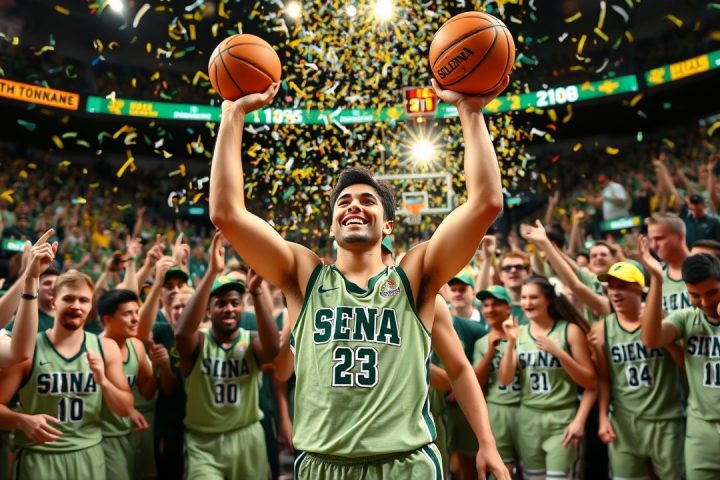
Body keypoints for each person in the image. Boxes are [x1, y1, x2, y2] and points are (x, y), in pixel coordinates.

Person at [210, 78, 510, 479]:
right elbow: (226, 213)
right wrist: (232, 114)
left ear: (387, 226)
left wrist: (469, 112)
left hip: (405, 464)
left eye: (367, 200)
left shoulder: (415, 277)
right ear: (333, 224)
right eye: (344, 202)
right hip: (323, 464)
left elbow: (486, 203)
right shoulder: (303, 275)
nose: (354, 206)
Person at [0, 271, 134, 479]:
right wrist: (21, 420)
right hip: (39, 455)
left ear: (91, 306)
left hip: (89, 453)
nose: (76, 306)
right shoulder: (28, 350)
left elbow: (125, 409)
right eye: (68, 299)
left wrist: (104, 382)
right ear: (54, 302)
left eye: (84, 300)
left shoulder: (106, 348)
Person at [175, 231, 279, 479]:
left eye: (234, 302)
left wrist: (256, 292)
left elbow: (272, 349)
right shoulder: (199, 341)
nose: (229, 308)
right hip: (204, 443)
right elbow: (181, 334)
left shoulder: (251, 340)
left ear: (242, 307)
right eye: (220, 303)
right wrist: (212, 271)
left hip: (247, 437)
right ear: (208, 311)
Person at [589, 260, 684, 479]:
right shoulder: (602, 328)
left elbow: (684, 365)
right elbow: (604, 378)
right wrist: (603, 417)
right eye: (611, 287)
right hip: (624, 423)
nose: (615, 292)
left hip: (666, 419)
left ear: (640, 289)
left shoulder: (664, 319)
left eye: (622, 286)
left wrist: (662, 336)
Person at [499, 276, 596, 480]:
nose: (527, 303)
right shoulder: (519, 333)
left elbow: (590, 382)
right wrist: (510, 343)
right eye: (524, 297)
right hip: (528, 419)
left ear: (548, 300)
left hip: (562, 418)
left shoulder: (569, 330)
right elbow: (505, 380)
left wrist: (559, 353)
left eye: (533, 297)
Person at [639, 246, 720, 480]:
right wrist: (657, 280)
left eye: (712, 293)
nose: (704, 302)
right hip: (701, 429)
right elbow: (651, 339)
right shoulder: (686, 318)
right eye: (695, 295)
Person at [97, 289, 157, 480]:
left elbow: (147, 392)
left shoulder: (136, 346)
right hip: (103, 436)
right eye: (127, 314)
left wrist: (158, 366)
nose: (135, 319)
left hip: (130, 431)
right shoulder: (94, 349)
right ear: (108, 320)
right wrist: (128, 409)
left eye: (136, 312)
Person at [473, 285, 521, 477]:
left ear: (508, 308)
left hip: (526, 407)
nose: (490, 309)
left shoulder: (525, 335)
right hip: (496, 409)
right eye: (486, 305)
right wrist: (490, 352)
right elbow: (476, 384)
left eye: (496, 304)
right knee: (503, 471)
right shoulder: (481, 343)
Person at [647, 213, 691, 313]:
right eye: (651, 240)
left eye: (659, 238)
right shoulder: (657, 276)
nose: (653, 246)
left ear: (679, 237)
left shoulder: (707, 267)